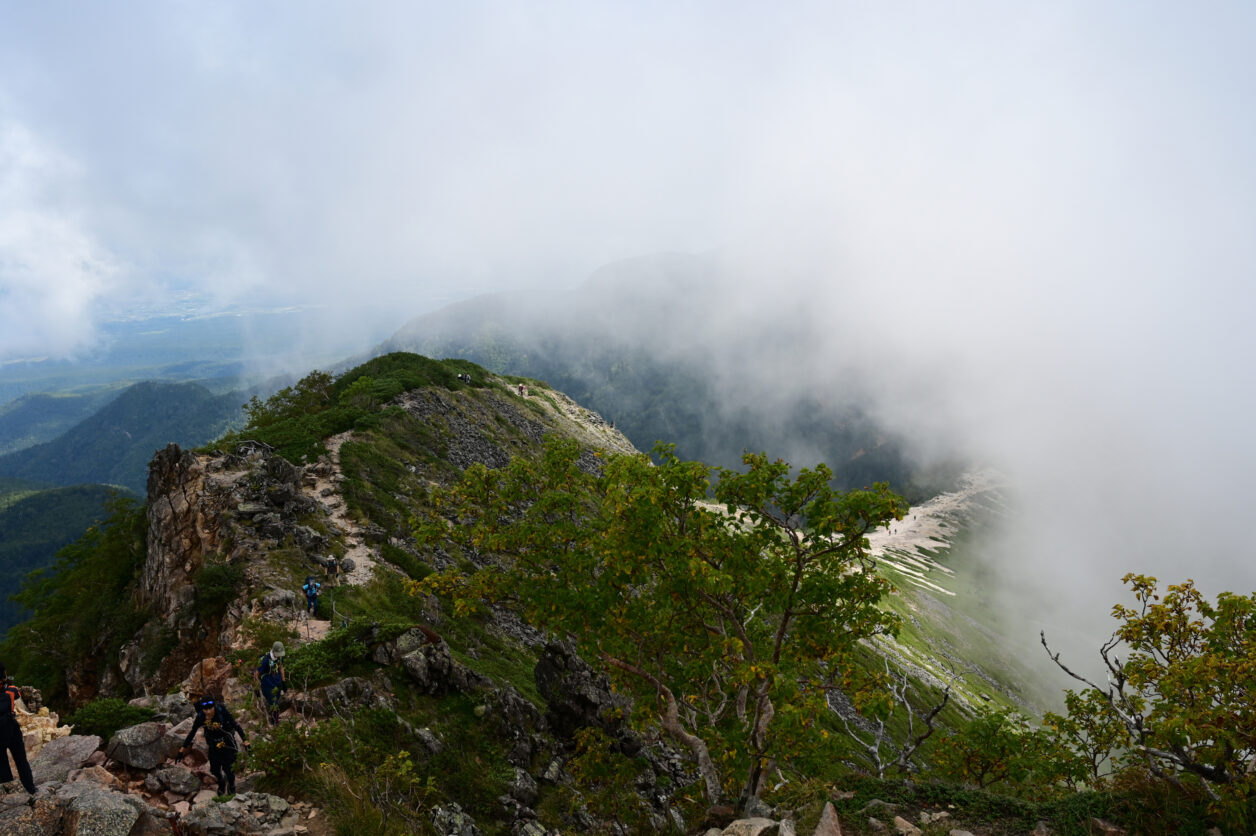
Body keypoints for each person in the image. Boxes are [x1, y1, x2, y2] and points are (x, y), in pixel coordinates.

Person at [180, 695, 248, 797]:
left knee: (229, 769)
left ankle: (232, 787)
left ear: (214, 707)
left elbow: (235, 725)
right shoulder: (201, 717)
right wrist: (182, 749)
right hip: (213, 744)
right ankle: (221, 781)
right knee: (214, 769)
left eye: (210, 709)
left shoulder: (221, 711)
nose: (207, 712)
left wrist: (245, 740)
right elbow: (192, 732)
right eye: (205, 709)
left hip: (227, 742)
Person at [0, 662, 36, 803]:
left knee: (2, 763)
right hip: (12, 728)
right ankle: (30, 788)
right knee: (21, 760)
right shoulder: (12, 690)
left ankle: (9, 794)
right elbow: (17, 695)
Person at [254, 642, 286, 725]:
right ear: (273, 651)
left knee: (276, 703)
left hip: (277, 684)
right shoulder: (265, 660)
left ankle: (273, 719)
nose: (279, 655)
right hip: (268, 685)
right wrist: (257, 687)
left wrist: (284, 682)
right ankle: (275, 723)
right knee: (274, 704)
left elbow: (281, 669)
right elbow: (256, 673)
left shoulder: (280, 658)